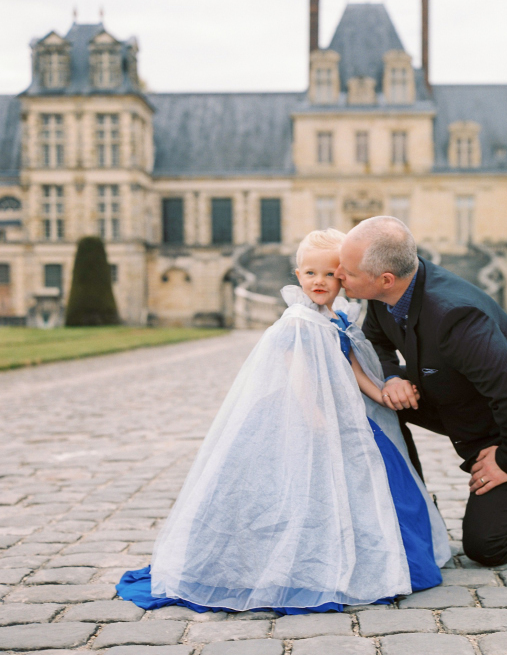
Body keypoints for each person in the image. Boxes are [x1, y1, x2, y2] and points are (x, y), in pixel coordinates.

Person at [117, 228, 450, 614]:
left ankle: (374, 558)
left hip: (342, 414)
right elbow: (298, 375)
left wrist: (382, 396)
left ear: (343, 277)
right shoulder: (298, 321)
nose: (319, 282)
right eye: (310, 274)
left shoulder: (338, 317)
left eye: (329, 274)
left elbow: (353, 367)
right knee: (306, 491)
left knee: (376, 483)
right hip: (309, 416)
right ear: (297, 276)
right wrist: (316, 418)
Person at [335, 216, 507, 568]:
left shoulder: (457, 317)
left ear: (385, 278)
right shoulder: (385, 292)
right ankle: (415, 501)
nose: (337, 274)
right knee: (368, 392)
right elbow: (377, 340)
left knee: (488, 545)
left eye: (347, 270)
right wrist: (391, 379)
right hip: (458, 392)